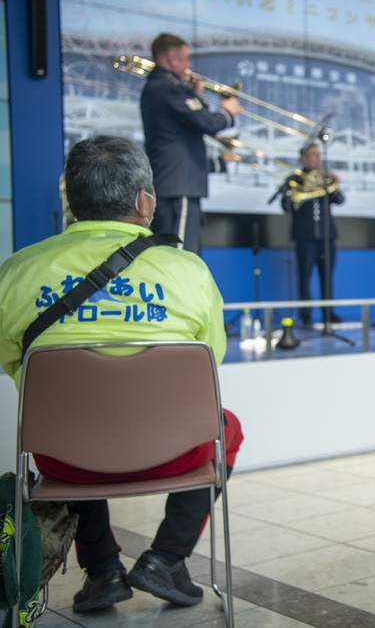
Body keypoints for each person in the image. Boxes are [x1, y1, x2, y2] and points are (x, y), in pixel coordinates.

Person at [0, 136, 244, 613]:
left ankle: (102, 569)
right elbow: (209, 362)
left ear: (70, 199)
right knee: (226, 428)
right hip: (171, 453)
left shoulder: (17, 271)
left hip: (62, 460)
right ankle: (167, 559)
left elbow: (10, 360)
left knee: (72, 418)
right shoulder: (187, 270)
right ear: (144, 201)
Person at [140, 32, 242, 254]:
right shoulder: (169, 88)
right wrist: (228, 111)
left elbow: (192, 120)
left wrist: (194, 95)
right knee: (180, 256)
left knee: (175, 253)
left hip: (174, 184)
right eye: (185, 59)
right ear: (172, 58)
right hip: (179, 187)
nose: (189, 65)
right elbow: (206, 123)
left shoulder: (159, 87)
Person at [278, 143, 346, 326]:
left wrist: (336, 186)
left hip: (326, 237)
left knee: (327, 277)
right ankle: (305, 315)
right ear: (303, 158)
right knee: (304, 278)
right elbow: (285, 207)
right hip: (304, 237)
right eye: (312, 155)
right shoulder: (294, 179)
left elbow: (339, 200)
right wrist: (289, 194)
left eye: (318, 155)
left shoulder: (326, 177)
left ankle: (328, 314)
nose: (316, 158)